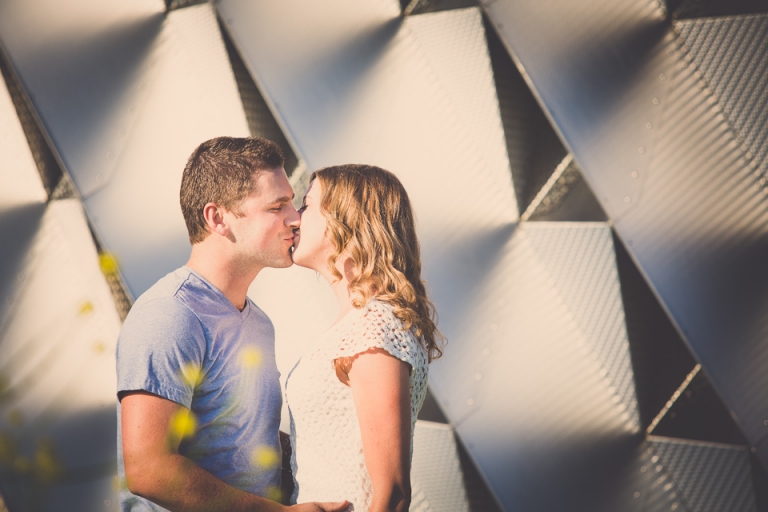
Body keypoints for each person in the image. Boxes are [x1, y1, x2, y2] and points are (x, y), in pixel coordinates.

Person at [116, 136, 347, 512]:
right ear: (217, 218)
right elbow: (148, 469)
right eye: (277, 206)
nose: (295, 217)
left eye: (292, 201)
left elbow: (242, 440)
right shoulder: (169, 315)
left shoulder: (259, 323)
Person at [287, 164, 444, 512]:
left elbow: (392, 493)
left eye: (307, 205)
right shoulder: (356, 323)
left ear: (345, 221)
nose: (294, 218)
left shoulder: (372, 329)